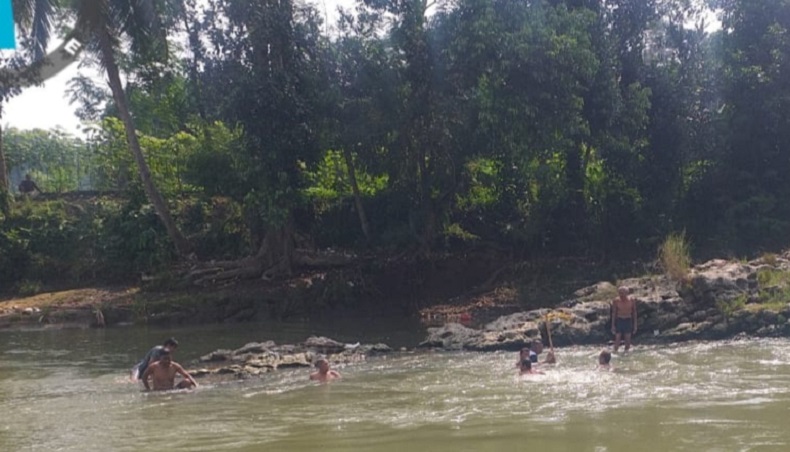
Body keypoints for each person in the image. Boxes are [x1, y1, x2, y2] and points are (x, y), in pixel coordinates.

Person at [611, 286, 637, 353]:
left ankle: (626, 354)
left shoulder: (631, 300)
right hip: (619, 320)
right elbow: (614, 313)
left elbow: (634, 312)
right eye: (620, 293)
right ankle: (614, 353)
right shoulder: (616, 300)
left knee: (627, 340)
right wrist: (613, 325)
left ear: (627, 293)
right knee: (617, 339)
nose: (621, 294)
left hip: (628, 320)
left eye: (623, 293)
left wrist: (635, 325)